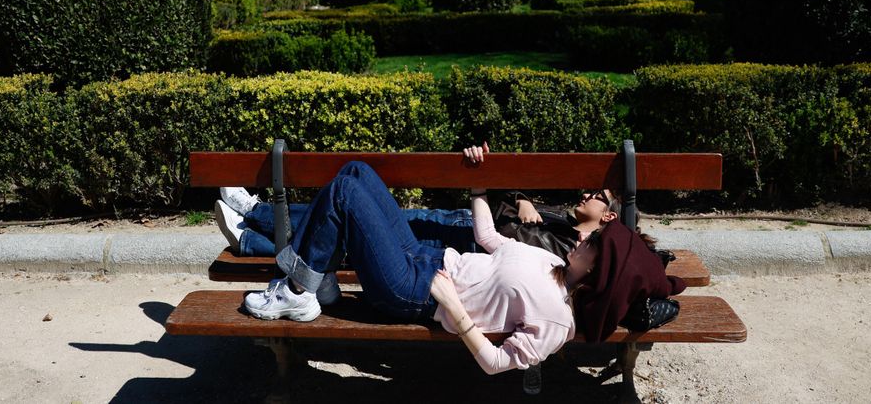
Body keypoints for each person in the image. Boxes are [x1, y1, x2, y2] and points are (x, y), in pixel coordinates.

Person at [240, 145, 681, 374]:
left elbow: (496, 363)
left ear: (599, 273)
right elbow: (488, 236)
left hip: (413, 292)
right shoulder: (551, 263)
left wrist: (453, 308)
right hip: (428, 256)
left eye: (594, 247)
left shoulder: (557, 323)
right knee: (357, 172)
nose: (584, 244)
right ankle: (318, 279)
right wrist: (478, 184)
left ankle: (300, 289)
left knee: (347, 193)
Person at [214, 159, 621, 261]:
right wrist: (521, 197)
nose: (588, 193)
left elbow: (495, 242)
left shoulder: (573, 249)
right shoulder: (562, 220)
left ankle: (256, 217)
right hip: (455, 223)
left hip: (460, 243)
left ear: (609, 217)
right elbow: (507, 209)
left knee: (355, 238)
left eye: (598, 195)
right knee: (353, 232)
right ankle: (253, 231)